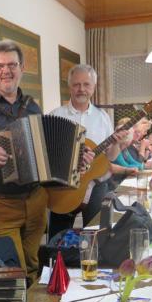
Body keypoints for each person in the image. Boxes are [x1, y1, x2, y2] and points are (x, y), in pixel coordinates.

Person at [0, 40, 93, 279]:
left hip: (36, 199)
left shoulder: (32, 107)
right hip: (0, 203)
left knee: (34, 264)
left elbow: (48, 151)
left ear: (22, 68)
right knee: (11, 272)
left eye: (12, 65)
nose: (6, 71)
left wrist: (76, 156)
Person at [47, 64, 121, 238]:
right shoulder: (55, 116)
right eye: (76, 84)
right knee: (58, 238)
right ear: (69, 87)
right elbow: (47, 156)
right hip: (63, 188)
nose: (81, 89)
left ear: (93, 87)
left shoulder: (103, 117)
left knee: (96, 237)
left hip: (96, 186)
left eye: (86, 84)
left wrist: (117, 143)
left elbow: (111, 157)